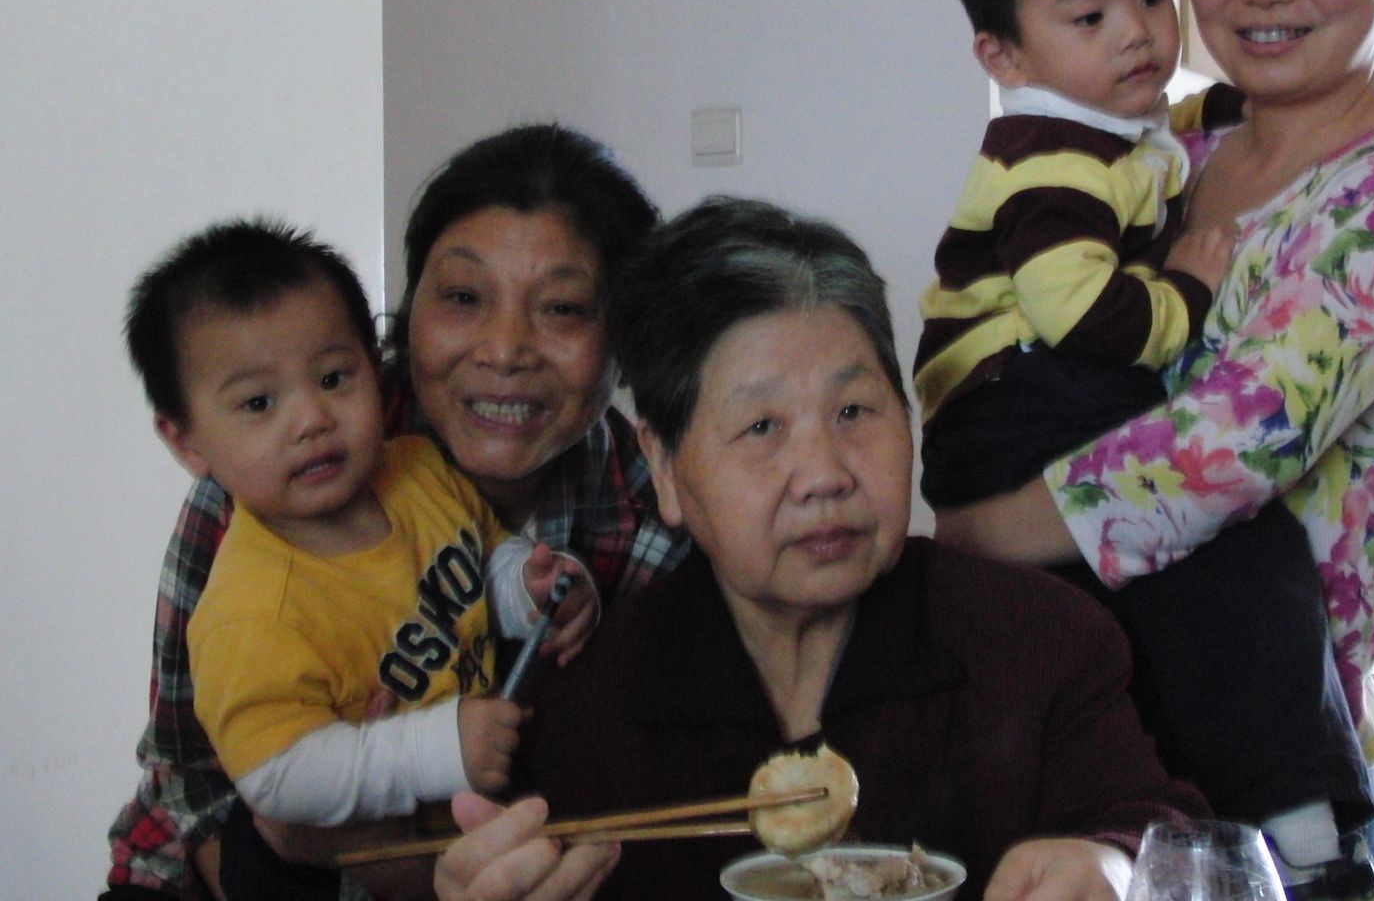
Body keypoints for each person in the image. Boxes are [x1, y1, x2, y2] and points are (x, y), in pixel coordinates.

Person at [937, 0, 1374, 900]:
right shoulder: (1170, 149)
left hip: (1261, 772)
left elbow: (1220, 454)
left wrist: (969, 539)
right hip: (1097, 742)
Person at [441, 196, 1210, 901]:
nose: (824, 475)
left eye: (853, 411)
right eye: (762, 427)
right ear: (665, 466)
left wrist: (1113, 865)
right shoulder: (593, 705)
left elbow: (1158, 827)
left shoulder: (1040, 642)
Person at [102, 125, 691, 901]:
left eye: (563, 308)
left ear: (623, 346)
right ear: (409, 311)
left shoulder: (653, 515)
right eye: (463, 298)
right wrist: (311, 841)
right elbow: (188, 780)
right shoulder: (277, 483)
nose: (504, 350)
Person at [126, 222, 543, 853]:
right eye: (259, 403)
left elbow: (486, 555)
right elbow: (277, 776)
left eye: (332, 379)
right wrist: (435, 751)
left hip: (478, 824)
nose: (312, 420)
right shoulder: (251, 614)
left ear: (374, 368)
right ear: (187, 442)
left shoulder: (418, 469)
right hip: (357, 864)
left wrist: (529, 586)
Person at [915, 0, 1240, 509]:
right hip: (1002, 398)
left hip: (1035, 379)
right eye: (1090, 18)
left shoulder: (1098, 127)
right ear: (1005, 57)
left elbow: (1155, 131)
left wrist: (1226, 106)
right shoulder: (1048, 168)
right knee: (1194, 465)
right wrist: (1186, 291)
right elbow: (1085, 314)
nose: (1136, 32)